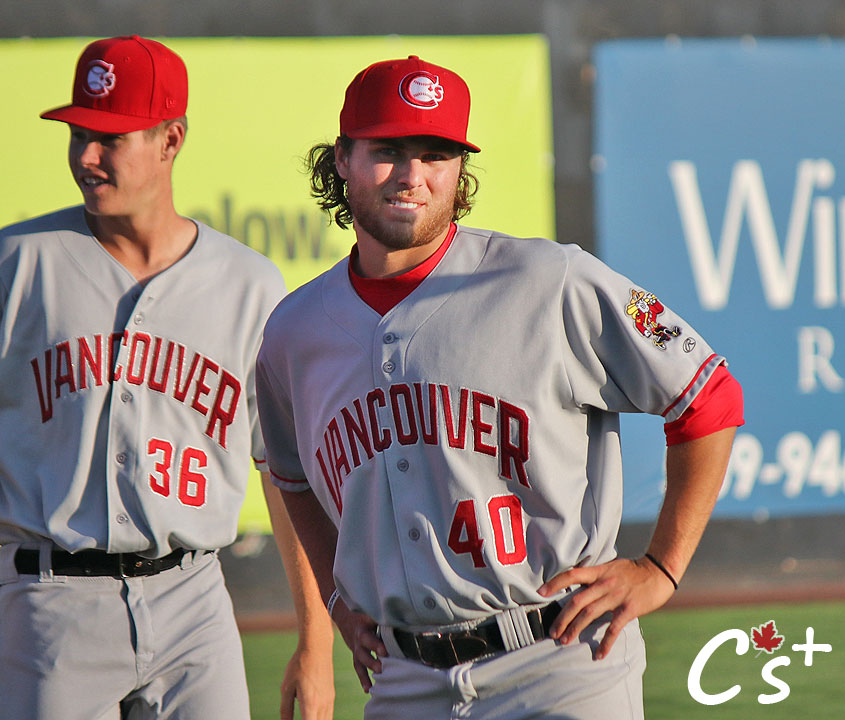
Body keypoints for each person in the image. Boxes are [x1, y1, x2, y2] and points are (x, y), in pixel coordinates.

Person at [254, 55, 744, 719]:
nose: (411, 176)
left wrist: (659, 567)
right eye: (387, 151)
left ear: (460, 170)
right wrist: (338, 602)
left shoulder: (548, 280)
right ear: (341, 159)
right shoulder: (295, 331)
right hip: (404, 682)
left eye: (436, 154)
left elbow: (706, 394)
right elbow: (288, 475)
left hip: (563, 661)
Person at [0, 35, 333, 720]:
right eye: (78, 134)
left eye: (110, 137)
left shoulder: (248, 285)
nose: (86, 156)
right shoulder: (14, 263)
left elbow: (283, 470)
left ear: (171, 140)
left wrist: (315, 639)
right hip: (52, 602)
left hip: (195, 600)